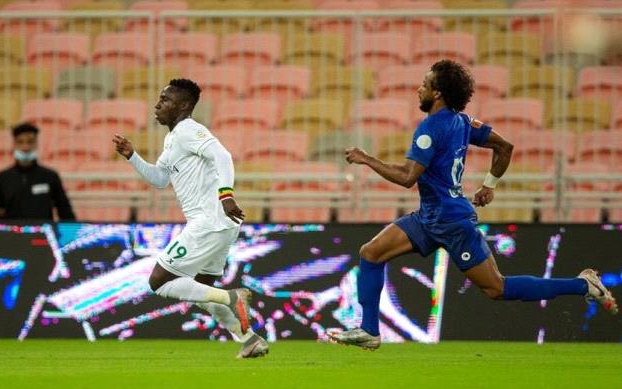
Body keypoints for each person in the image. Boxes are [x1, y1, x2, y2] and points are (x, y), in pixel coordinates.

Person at [328, 60, 618, 350]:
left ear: (438, 93)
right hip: (431, 217)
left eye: (425, 85)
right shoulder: (463, 122)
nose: (419, 89)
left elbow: (407, 177)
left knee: (497, 288)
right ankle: (369, 330)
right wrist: (488, 185)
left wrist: (367, 159)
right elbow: (504, 147)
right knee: (371, 253)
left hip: (452, 222)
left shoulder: (430, 129)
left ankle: (583, 285)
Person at [112, 78, 269, 359]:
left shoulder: (189, 131)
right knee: (200, 290)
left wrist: (226, 194)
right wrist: (132, 156)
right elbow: (160, 179)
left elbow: (223, 155)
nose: (158, 104)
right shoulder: (173, 139)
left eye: (165, 100)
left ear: (183, 105)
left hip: (209, 221)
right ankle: (249, 339)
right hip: (220, 225)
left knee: (160, 282)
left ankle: (231, 297)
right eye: (159, 99)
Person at [0, 122, 76, 222]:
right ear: (14, 145)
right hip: (12, 234)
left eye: (30, 142)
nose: (25, 147)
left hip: (42, 234)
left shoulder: (50, 176)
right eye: (20, 142)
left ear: (36, 144)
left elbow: (65, 211)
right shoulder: (3, 178)